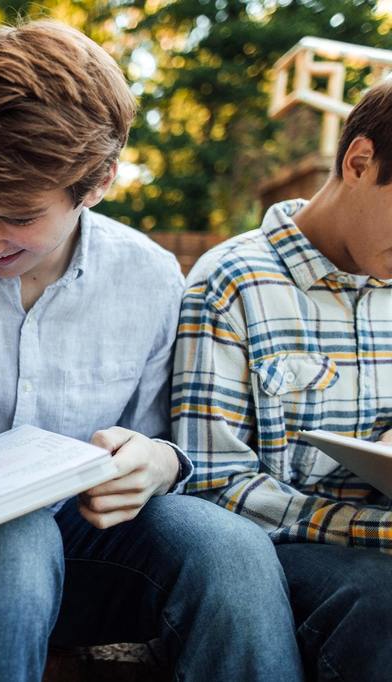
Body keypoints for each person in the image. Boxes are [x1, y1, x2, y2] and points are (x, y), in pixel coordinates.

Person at [0, 19, 303, 682]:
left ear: (98, 182)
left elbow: (163, 445)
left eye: (16, 218)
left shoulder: (152, 277)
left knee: (232, 550)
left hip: (89, 559)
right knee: (12, 539)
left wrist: (155, 462)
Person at [172, 79, 392, 681]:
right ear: (359, 162)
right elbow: (211, 489)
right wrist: (379, 532)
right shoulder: (234, 281)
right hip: (284, 556)